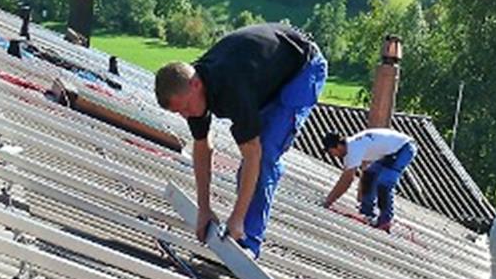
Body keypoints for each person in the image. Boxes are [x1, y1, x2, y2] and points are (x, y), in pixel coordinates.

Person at [155, 23, 327, 257]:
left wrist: (236, 218)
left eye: (185, 108)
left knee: (264, 154)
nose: (185, 116)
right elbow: (202, 148)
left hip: (303, 69)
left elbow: (253, 154)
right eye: (179, 112)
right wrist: (204, 209)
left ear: (196, 85)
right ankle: (242, 227)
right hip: (267, 73)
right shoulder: (194, 91)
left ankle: (248, 241)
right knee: (252, 162)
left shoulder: (231, 88)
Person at [321, 128, 416, 232]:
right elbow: (358, 171)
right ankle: (367, 212)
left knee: (384, 183)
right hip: (391, 151)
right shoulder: (352, 147)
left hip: (404, 149)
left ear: (338, 146)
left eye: (331, 151)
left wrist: (328, 201)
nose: (332, 155)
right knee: (369, 176)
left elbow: (346, 180)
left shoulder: (354, 148)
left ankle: (385, 221)